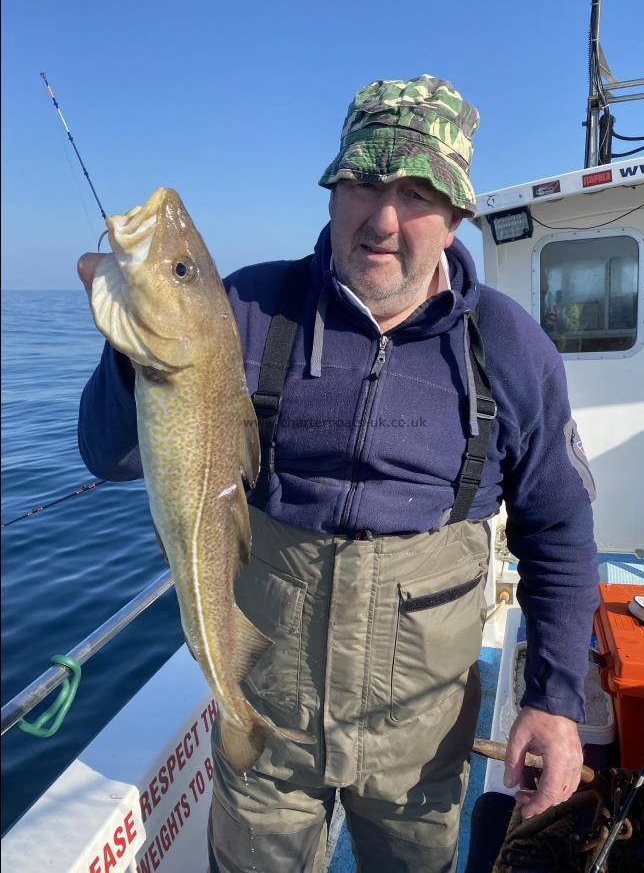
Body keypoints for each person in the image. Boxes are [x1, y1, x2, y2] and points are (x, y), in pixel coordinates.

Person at [77, 75, 598, 873]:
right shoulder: (248, 308)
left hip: (421, 739)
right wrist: (131, 352)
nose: (383, 220)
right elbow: (108, 458)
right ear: (330, 191)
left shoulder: (511, 348)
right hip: (270, 720)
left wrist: (554, 702)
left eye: (417, 191)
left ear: (456, 211)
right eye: (362, 183)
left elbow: (558, 530)